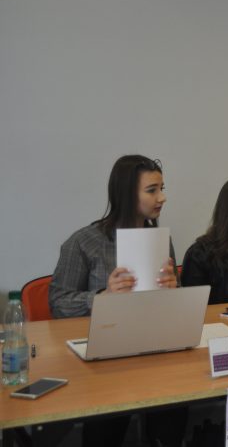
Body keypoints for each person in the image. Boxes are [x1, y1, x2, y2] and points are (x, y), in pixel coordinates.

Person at [48, 155, 185, 447]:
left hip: (154, 347)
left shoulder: (160, 239)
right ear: (126, 194)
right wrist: (103, 297)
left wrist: (173, 289)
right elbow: (58, 303)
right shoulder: (84, 242)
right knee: (106, 426)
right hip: (104, 354)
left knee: (176, 408)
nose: (162, 197)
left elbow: (171, 304)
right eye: (152, 190)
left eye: (162, 188)